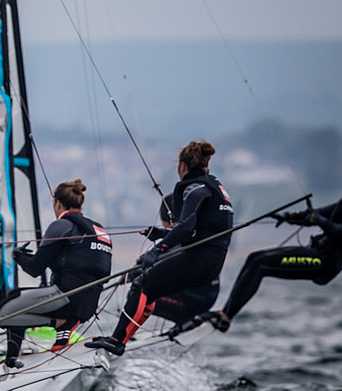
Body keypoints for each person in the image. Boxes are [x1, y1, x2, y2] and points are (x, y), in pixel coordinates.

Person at [87, 140, 233, 355]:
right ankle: (120, 339)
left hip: (200, 259)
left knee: (142, 283)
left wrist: (157, 251)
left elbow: (185, 227)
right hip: (210, 261)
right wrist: (162, 234)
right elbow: (197, 232)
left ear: (182, 166)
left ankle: (118, 340)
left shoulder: (194, 188)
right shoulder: (213, 186)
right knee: (150, 290)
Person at [0, 179, 112, 368]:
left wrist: (18, 256)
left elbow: (34, 269)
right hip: (88, 306)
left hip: (65, 299)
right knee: (19, 298)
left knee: (0, 313)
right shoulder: (99, 230)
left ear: (57, 203)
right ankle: (12, 360)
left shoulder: (61, 225)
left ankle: (58, 324)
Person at [193, 198, 342, 332]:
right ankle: (224, 313)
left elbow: (335, 228)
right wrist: (289, 216)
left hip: (326, 262)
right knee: (254, 258)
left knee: (260, 264)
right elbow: (314, 215)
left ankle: (225, 318)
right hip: (318, 252)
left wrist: (320, 221)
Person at [143, 194, 220, 326]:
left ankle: (186, 322)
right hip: (210, 297)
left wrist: (135, 273)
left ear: (166, 221)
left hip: (193, 300)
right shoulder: (196, 233)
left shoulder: (176, 239)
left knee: (140, 293)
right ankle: (190, 321)